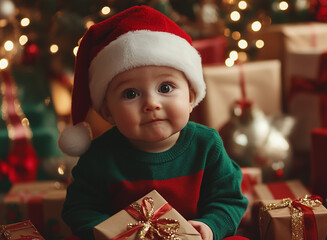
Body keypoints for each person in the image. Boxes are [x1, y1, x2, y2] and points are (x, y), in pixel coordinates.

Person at [58, 5, 248, 240]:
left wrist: (209, 227)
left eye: (165, 88)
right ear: (107, 112)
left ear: (190, 97)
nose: (151, 103)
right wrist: (107, 232)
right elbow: (79, 209)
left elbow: (228, 199)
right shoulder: (99, 156)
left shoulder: (207, 144)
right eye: (130, 94)